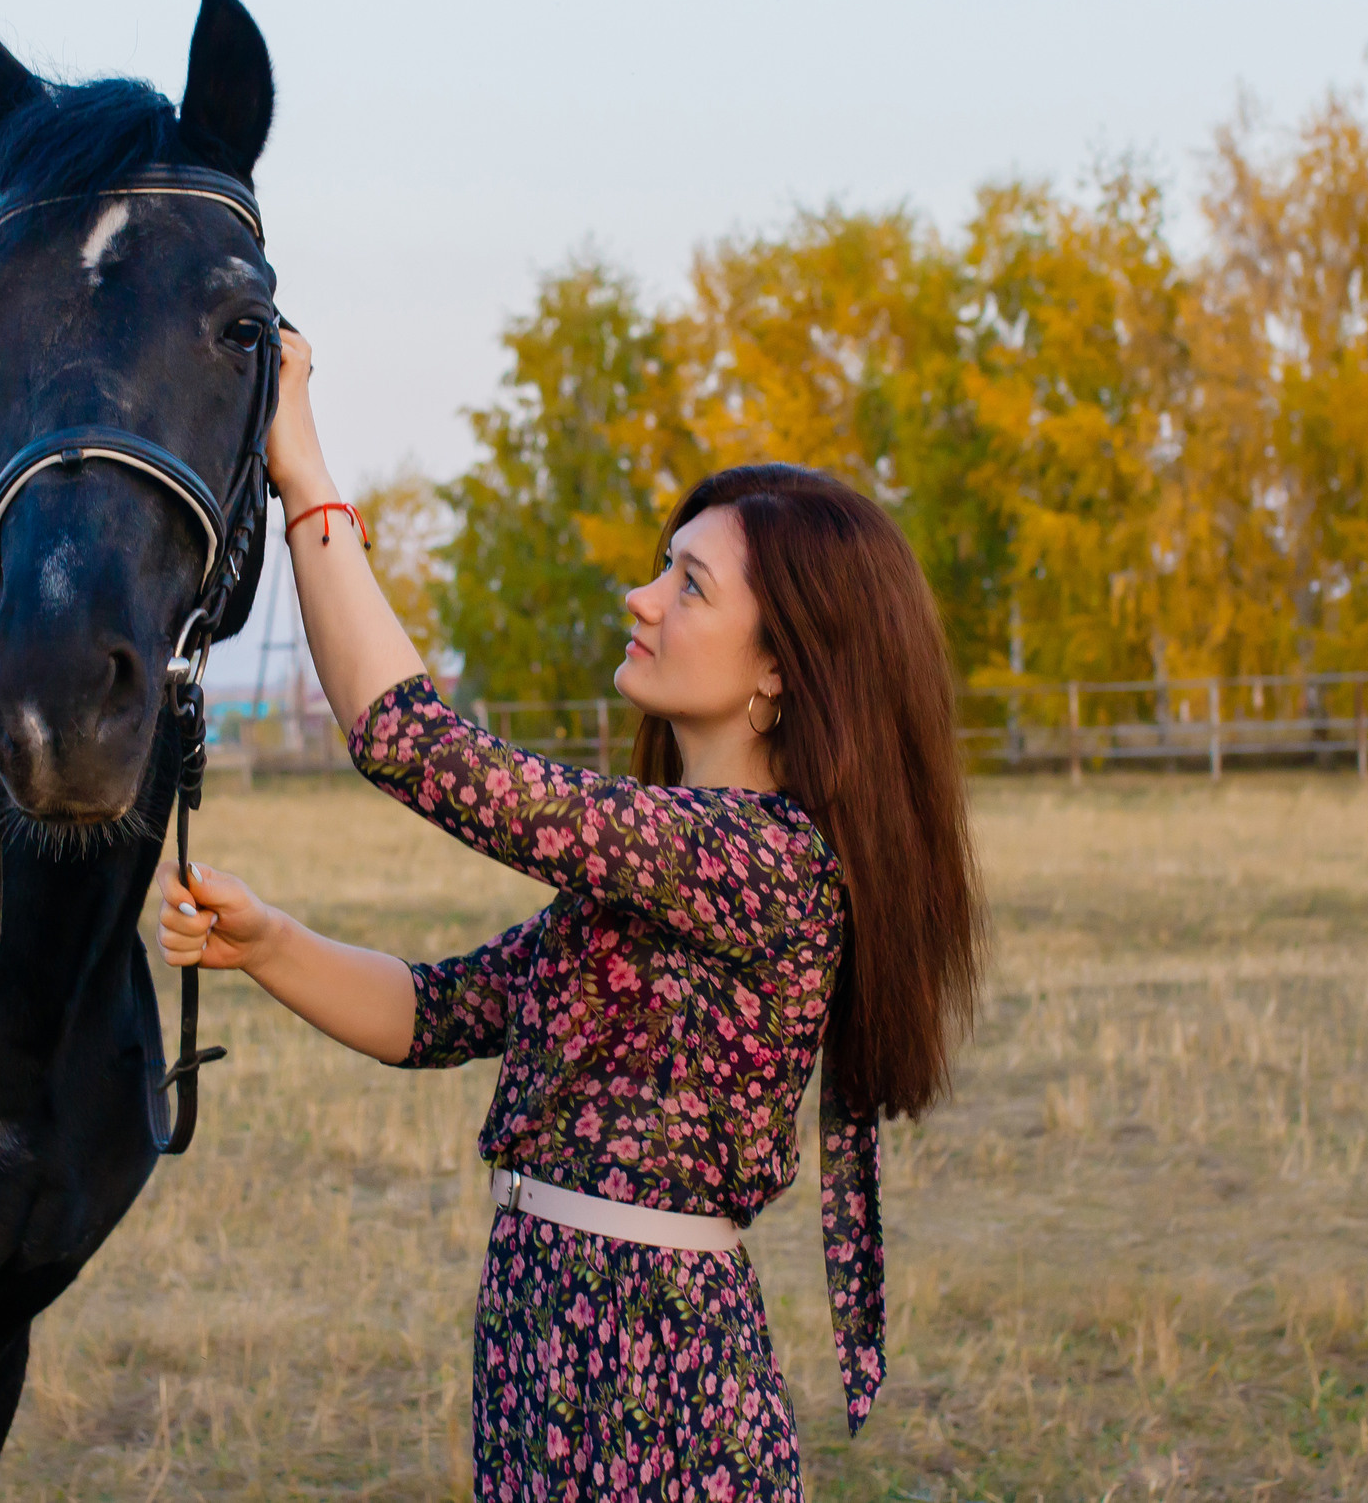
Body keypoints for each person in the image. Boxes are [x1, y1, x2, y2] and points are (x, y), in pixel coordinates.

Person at [156, 327, 984, 1499]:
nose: (639, 596)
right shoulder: (657, 869)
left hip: (662, 1392)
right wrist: (273, 945)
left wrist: (303, 470)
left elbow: (416, 749)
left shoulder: (765, 864)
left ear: (778, 671)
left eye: (688, 584)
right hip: (543, 1356)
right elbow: (434, 1014)